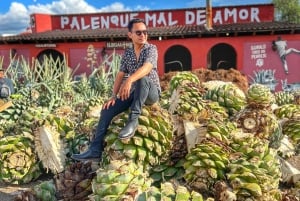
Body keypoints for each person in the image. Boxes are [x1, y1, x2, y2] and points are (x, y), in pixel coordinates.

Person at [71, 18, 161, 161]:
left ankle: (133, 120)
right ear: (130, 35)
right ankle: (95, 149)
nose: (143, 35)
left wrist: (130, 79)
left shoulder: (151, 49)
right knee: (107, 109)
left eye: (145, 32)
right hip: (133, 92)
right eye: (138, 32)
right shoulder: (128, 53)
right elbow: (120, 74)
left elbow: (147, 68)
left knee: (142, 79)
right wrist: (113, 96)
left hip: (151, 92)